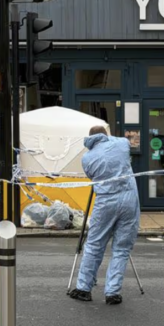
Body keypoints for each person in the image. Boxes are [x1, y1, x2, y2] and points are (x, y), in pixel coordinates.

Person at [69, 126, 140, 305]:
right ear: (106, 135)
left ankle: (84, 288)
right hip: (129, 199)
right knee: (122, 248)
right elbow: (123, 143)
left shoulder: (87, 158)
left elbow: (92, 177)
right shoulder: (122, 143)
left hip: (106, 201)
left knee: (94, 244)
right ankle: (113, 292)